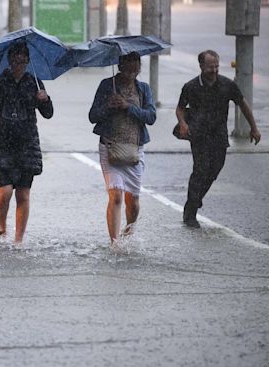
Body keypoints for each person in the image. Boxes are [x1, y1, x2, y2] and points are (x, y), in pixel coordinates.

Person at [0, 41, 54, 244]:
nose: (19, 64)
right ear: (9, 62)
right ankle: (2, 225)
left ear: (28, 61)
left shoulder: (35, 82)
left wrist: (45, 100)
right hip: (4, 141)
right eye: (15, 60)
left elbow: (48, 114)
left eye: (22, 61)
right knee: (4, 192)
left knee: (23, 193)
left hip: (27, 143)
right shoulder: (0, 81)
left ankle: (18, 239)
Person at [176, 50, 261, 228]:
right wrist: (182, 123)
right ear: (201, 66)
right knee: (200, 170)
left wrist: (253, 127)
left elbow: (242, 104)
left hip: (219, 134)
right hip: (198, 135)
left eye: (216, 66)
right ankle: (191, 212)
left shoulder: (227, 85)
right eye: (210, 67)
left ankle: (195, 199)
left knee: (214, 169)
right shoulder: (191, 86)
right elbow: (180, 108)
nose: (214, 70)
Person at [88, 52, 156, 245]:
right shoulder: (107, 86)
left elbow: (151, 117)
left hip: (135, 147)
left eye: (135, 70)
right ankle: (114, 242)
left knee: (132, 200)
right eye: (128, 70)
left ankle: (129, 230)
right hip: (110, 147)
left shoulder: (143, 89)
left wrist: (128, 107)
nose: (131, 74)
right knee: (116, 194)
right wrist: (109, 106)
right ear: (120, 67)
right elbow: (93, 116)